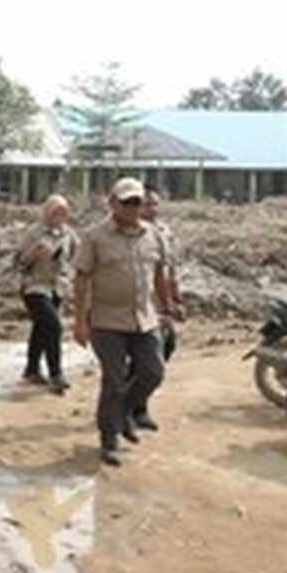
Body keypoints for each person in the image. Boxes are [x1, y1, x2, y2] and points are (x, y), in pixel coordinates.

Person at [71, 177, 181, 467]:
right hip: (107, 320)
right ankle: (109, 439)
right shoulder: (95, 237)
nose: (134, 207)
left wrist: (167, 308)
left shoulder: (153, 235)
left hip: (145, 318)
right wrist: (79, 320)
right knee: (114, 380)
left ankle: (123, 414)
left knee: (153, 372)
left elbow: (159, 275)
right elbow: (81, 279)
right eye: (127, 202)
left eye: (137, 202)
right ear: (113, 204)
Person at [131, 184, 184, 430]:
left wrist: (175, 299)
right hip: (137, 302)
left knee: (166, 347)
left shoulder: (163, 232)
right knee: (142, 355)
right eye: (146, 204)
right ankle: (133, 408)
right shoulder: (129, 232)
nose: (151, 209)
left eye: (155, 204)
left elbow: (169, 270)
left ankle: (134, 402)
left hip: (159, 302)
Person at [17, 194, 79, 393]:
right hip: (34, 287)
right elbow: (18, 263)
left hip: (57, 288)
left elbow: (78, 255)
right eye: (55, 211)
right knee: (53, 326)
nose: (58, 215)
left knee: (41, 329)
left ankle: (31, 369)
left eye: (63, 212)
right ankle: (56, 373)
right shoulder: (33, 233)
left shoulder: (68, 234)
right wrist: (33, 254)